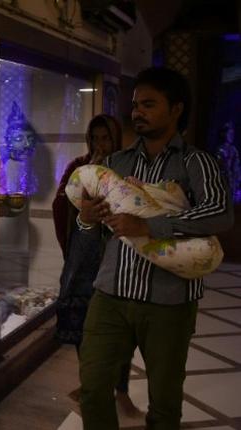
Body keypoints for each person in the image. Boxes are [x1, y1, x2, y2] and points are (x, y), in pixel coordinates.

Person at [77, 67, 234, 429]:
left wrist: (150, 225)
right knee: (93, 387)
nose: (137, 113)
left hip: (169, 301)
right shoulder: (116, 163)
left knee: (164, 401)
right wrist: (87, 217)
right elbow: (92, 230)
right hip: (111, 294)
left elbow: (219, 214)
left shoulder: (197, 163)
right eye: (135, 105)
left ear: (176, 109)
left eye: (149, 104)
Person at [52, 114, 141, 416]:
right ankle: (89, 383)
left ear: (115, 139)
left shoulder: (125, 168)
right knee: (82, 327)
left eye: (106, 138)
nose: (100, 144)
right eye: (95, 138)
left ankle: (121, 391)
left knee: (120, 333)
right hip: (83, 257)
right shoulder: (78, 167)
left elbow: (136, 205)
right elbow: (60, 202)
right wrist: (85, 195)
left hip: (116, 259)